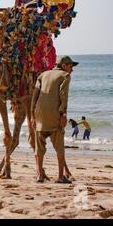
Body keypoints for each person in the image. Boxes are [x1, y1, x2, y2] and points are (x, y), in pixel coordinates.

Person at [31, 56, 78, 184]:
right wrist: (63, 114)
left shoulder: (42, 75)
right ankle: (60, 177)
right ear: (63, 65)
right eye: (70, 66)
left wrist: (32, 116)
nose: (72, 70)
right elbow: (64, 95)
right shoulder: (65, 76)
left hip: (39, 116)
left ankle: (40, 176)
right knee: (59, 148)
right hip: (54, 116)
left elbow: (35, 95)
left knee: (39, 149)